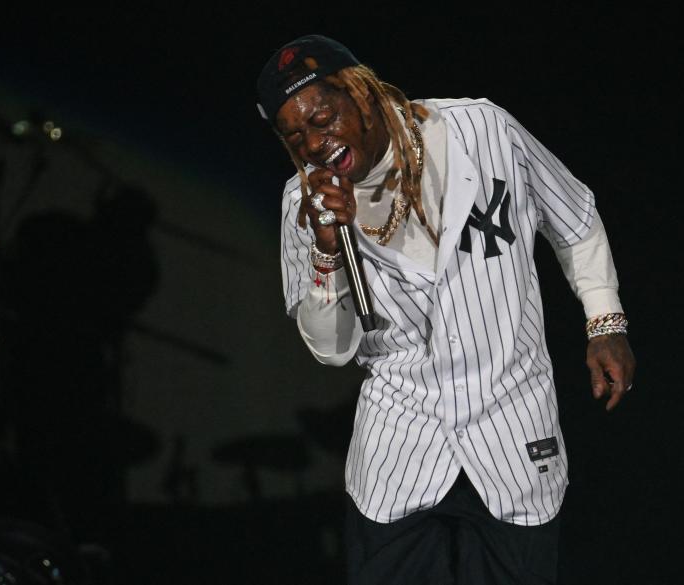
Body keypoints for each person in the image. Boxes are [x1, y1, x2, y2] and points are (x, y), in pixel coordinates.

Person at [257, 34, 636, 584]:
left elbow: (575, 219)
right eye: (296, 137)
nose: (315, 144)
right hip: (400, 448)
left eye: (323, 118)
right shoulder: (304, 205)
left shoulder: (481, 132)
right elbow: (332, 350)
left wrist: (606, 323)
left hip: (511, 428)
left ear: (359, 92)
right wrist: (326, 249)